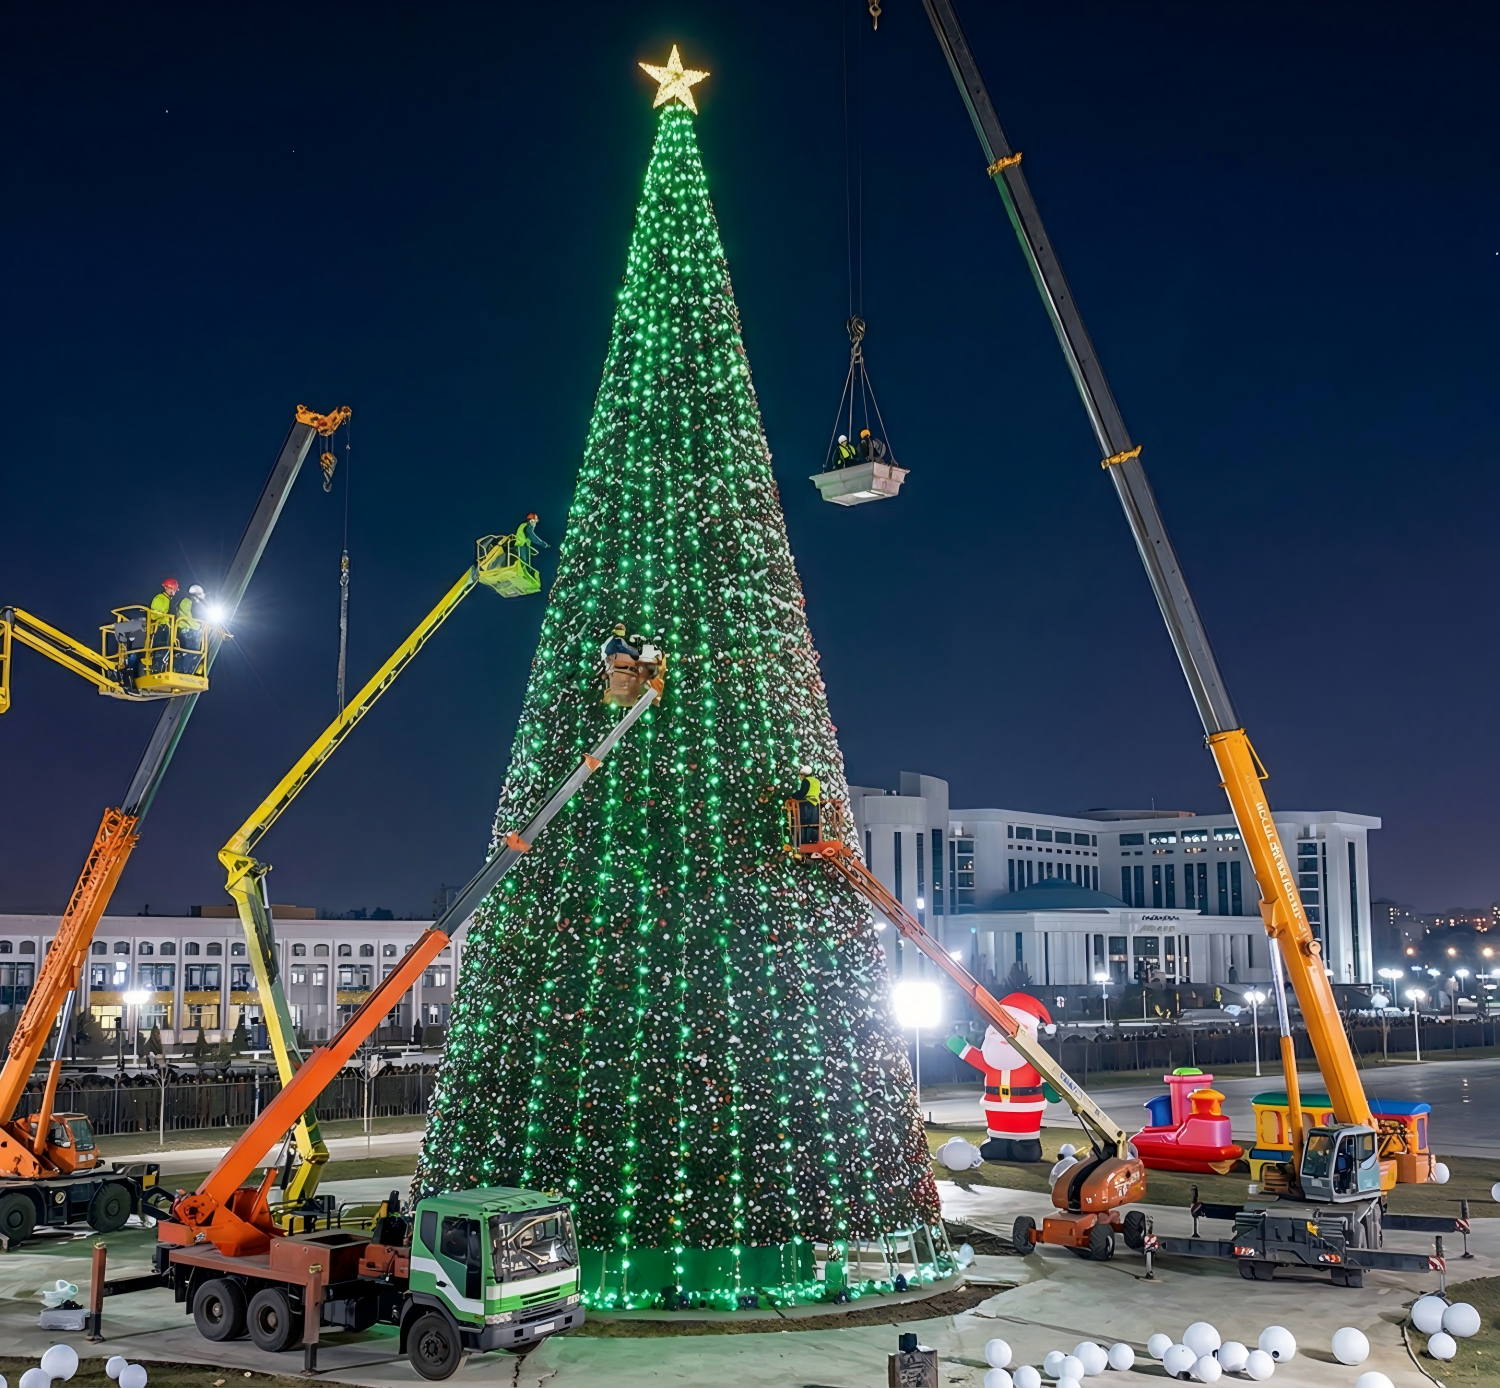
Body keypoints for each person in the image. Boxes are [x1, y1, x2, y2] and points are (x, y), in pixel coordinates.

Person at [945, 994, 1061, 1164]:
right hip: (996, 1119)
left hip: (1026, 1119)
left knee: (1026, 1151)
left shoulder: (1034, 1062)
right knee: (993, 1147)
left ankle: (1027, 1144)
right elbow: (970, 1054)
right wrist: (960, 1046)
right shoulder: (989, 1059)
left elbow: (1045, 1079)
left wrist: (1049, 1089)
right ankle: (999, 1142)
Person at [148, 577, 179, 674]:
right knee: (160, 650)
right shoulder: (159, 598)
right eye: (173, 589)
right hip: (160, 628)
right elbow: (154, 615)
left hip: (167, 628)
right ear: (168, 588)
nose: (174, 591)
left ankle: (161, 670)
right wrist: (164, 613)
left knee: (166, 650)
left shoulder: (169, 600)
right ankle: (156, 671)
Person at [175, 584, 205, 674]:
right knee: (191, 652)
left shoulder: (193, 604)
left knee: (196, 653)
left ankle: (189, 670)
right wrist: (198, 627)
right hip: (187, 631)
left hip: (189, 630)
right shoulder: (186, 601)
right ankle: (184, 671)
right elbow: (188, 616)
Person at [794, 764, 821, 845]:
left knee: (805, 824)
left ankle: (804, 842)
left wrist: (794, 796)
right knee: (814, 823)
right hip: (816, 804)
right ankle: (814, 840)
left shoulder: (806, 781)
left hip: (807, 804)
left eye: (801, 775)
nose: (800, 777)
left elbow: (803, 792)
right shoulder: (816, 780)